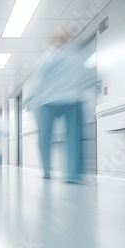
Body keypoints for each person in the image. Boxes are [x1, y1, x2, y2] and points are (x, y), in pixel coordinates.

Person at [23, 28, 84, 183]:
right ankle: (71, 174)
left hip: (46, 102)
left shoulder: (46, 58)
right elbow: (83, 76)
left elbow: (37, 82)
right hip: (71, 100)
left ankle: (47, 171)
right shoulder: (75, 56)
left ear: (55, 41)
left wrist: (30, 101)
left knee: (44, 138)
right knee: (72, 137)